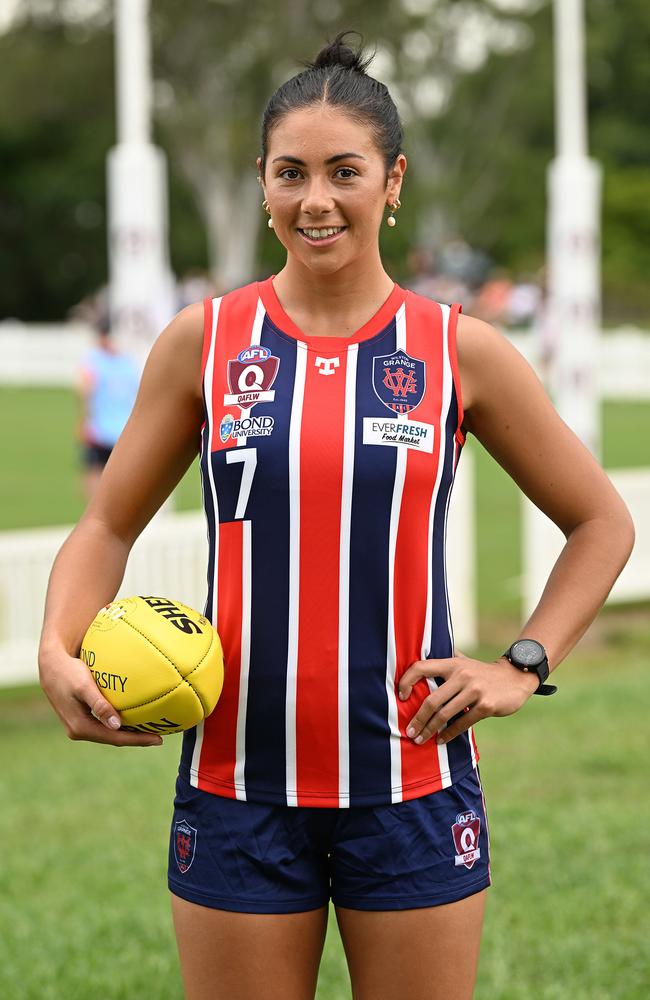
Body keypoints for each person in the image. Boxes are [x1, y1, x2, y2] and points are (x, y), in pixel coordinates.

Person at [38, 31, 635, 1000]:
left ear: (391, 181)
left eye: (344, 171)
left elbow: (600, 521)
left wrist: (520, 663)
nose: (315, 199)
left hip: (410, 785)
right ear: (262, 185)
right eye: (290, 173)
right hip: (235, 786)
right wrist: (57, 647)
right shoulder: (205, 342)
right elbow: (106, 525)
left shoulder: (457, 351)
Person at [76, 314, 140, 500]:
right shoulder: (128, 362)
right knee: (119, 483)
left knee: (94, 478)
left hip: (101, 430)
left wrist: (84, 420)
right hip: (121, 431)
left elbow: (85, 390)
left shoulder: (94, 359)